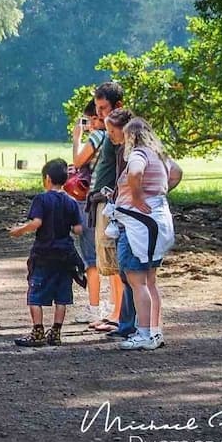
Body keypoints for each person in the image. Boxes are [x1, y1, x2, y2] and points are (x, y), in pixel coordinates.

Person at [104, 112, 179, 350]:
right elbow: (176, 173)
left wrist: (136, 197)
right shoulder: (160, 156)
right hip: (157, 222)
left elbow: (135, 172)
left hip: (138, 225)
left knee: (138, 282)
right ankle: (155, 331)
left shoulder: (138, 154)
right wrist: (158, 193)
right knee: (150, 281)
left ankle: (144, 332)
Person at [9, 159, 84, 347]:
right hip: (65, 254)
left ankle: (38, 331)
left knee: (35, 293)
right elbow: (77, 229)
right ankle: (56, 331)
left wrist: (19, 230)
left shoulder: (41, 199)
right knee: (61, 295)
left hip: (43, 253)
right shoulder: (71, 202)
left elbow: (37, 223)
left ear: (47, 179)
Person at [89, 82, 133, 338]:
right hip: (103, 202)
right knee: (107, 261)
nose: (101, 113)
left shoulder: (120, 133)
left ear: (118, 106)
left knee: (114, 260)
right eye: (98, 108)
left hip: (111, 203)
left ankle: (119, 315)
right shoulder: (109, 131)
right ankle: (116, 311)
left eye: (104, 108)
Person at [71, 100, 108, 326]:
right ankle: (107, 305)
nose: (92, 123)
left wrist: (76, 138)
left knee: (90, 258)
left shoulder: (97, 138)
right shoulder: (113, 138)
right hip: (103, 199)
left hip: (88, 201)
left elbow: (77, 162)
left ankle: (94, 306)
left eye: (95, 118)